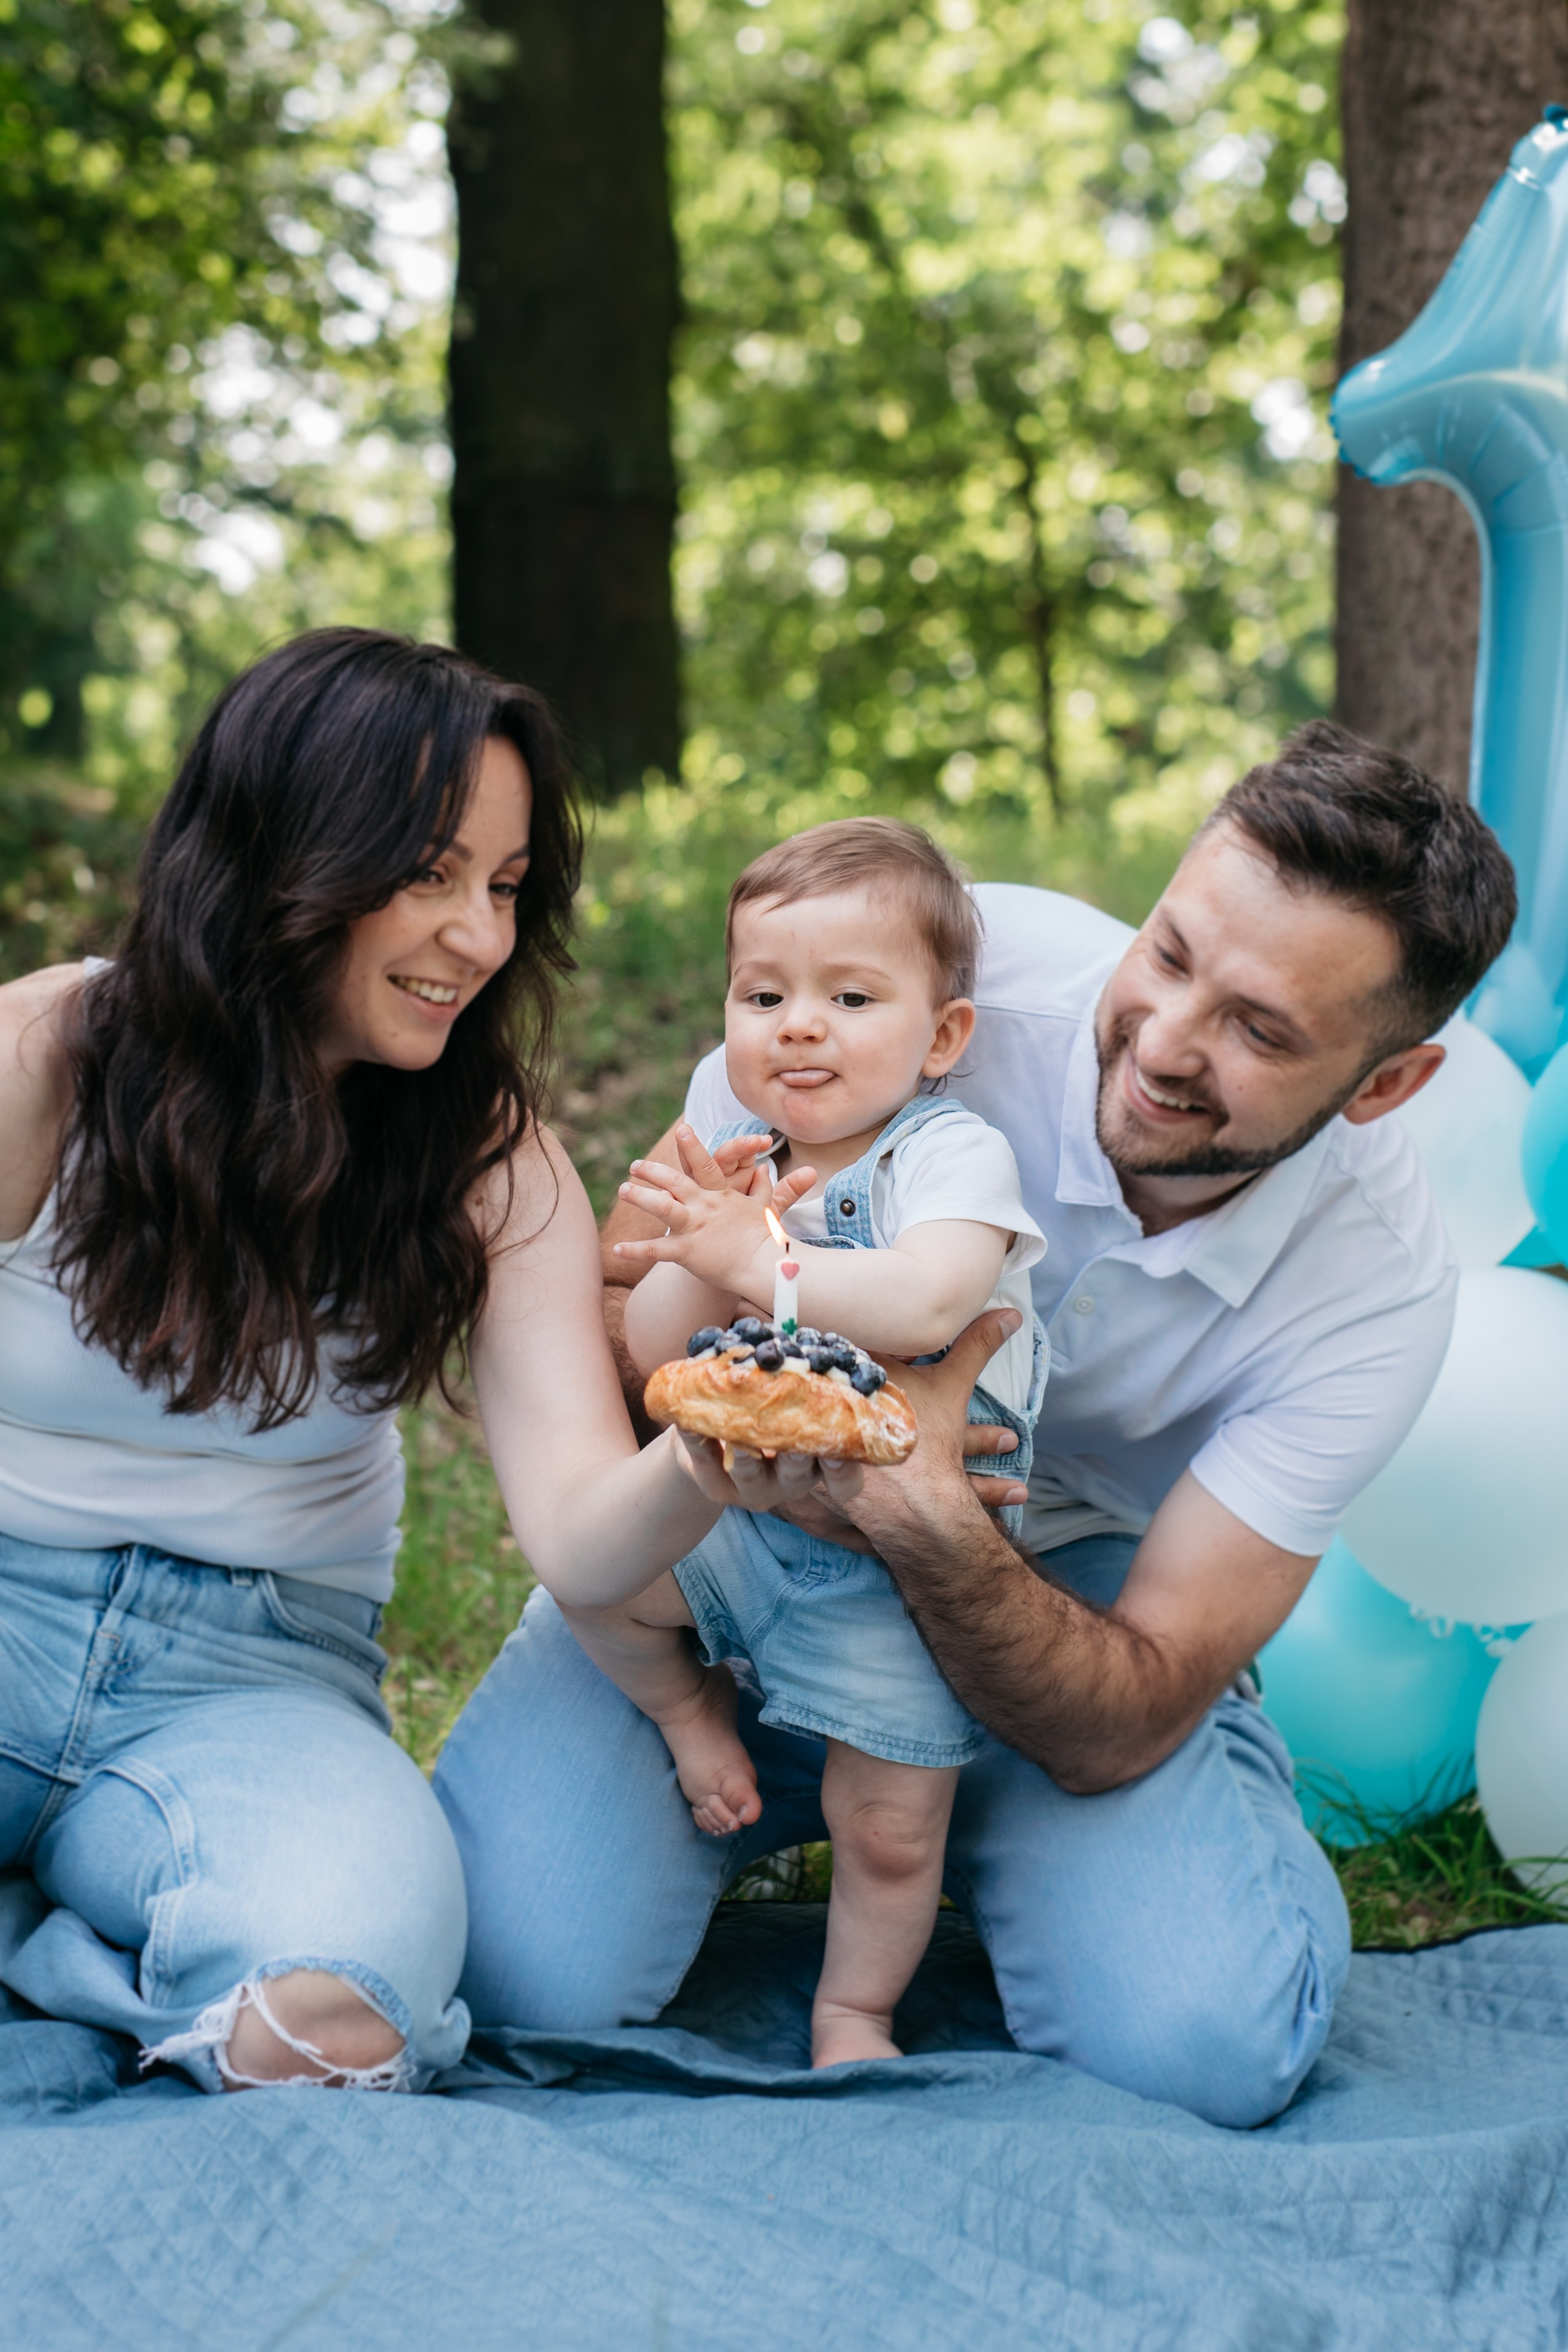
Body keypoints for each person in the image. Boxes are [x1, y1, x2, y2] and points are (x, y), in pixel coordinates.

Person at [434, 721, 1517, 2127]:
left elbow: (1135, 1699)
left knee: (1205, 2046)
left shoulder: (1374, 1291)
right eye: (1172, 953)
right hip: (750, 1547)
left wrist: (924, 1505)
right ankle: (798, 1778)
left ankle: (987, 1828)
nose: (1166, 1045)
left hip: (1059, 1607)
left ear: (1383, 1086)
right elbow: (633, 1319)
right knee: (512, 1969)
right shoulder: (897, 974)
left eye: (1260, 1030)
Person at [0, 627, 764, 2093]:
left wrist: (705, 1452)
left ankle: (60, 1965)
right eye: (428, 873)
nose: (478, 938)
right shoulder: (58, 1051)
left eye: (503, 886)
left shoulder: (496, 1168)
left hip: (255, 1676)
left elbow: (581, 1535)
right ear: (282, 857)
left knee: (344, 2018)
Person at [553, 820, 1047, 2068]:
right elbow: (665, 1355)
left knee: (884, 1823)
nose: (797, 1025)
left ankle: (853, 2011)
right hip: (743, 1522)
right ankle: (685, 1709)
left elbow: (931, 1301)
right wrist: (697, 1248)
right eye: (762, 994)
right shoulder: (745, 1167)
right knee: (592, 1578)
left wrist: (760, 1260)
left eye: (848, 995)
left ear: (940, 1038)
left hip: (901, 1572)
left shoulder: (948, 1156)